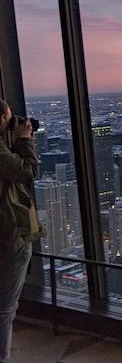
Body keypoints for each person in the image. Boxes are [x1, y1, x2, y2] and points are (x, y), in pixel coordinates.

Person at [0, 99, 41, 363]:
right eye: (8, 118)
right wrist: (25, 140)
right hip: (10, 233)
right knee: (5, 307)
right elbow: (28, 172)